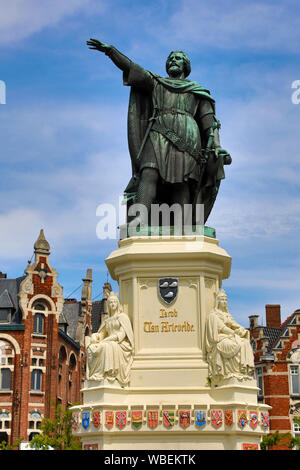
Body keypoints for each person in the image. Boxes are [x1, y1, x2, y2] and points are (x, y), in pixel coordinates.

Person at [87, 39, 231, 226]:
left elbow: (210, 123)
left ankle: (182, 224)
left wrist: (217, 147)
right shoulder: (156, 83)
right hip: (158, 132)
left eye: (178, 58)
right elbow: (132, 68)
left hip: (187, 136)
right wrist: (111, 52)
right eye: (171, 58)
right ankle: (139, 218)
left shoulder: (197, 91)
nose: (173, 60)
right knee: (148, 172)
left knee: (182, 181)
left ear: (186, 66)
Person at [205, 289, 254, 385]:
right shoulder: (213, 315)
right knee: (234, 344)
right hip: (220, 338)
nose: (224, 302)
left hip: (229, 335)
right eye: (222, 300)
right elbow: (222, 328)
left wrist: (242, 330)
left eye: (225, 300)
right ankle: (231, 372)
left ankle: (243, 371)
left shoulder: (227, 315)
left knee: (245, 342)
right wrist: (234, 333)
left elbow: (234, 324)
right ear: (218, 301)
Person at [86, 292, 134, 386]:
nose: (112, 304)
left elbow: (122, 334)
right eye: (111, 302)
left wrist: (107, 340)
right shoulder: (107, 320)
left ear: (118, 304)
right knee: (92, 347)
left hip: (120, 343)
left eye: (114, 302)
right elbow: (102, 334)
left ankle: (109, 373)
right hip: (108, 341)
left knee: (106, 346)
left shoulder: (123, 317)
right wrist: (95, 336)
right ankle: (96, 375)